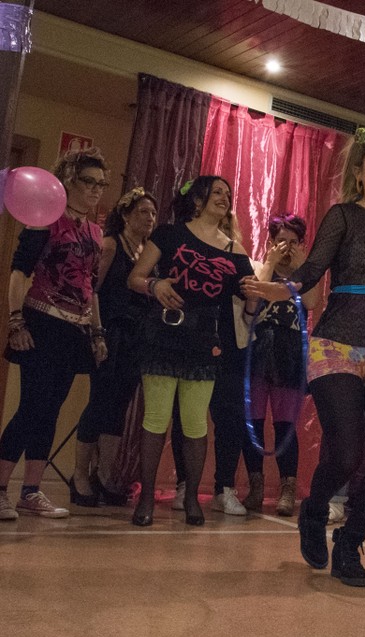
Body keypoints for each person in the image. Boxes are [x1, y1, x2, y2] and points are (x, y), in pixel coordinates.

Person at [243, 128, 365, 588]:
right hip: (337, 346)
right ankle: (314, 510)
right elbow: (312, 271)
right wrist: (282, 289)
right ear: (359, 173)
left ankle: (350, 540)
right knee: (345, 452)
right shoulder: (343, 216)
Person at [127, 176, 256, 527]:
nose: (224, 198)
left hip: (204, 341)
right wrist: (155, 285)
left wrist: (261, 292)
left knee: (196, 422)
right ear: (198, 200)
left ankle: (192, 498)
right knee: (156, 418)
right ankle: (147, 498)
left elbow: (250, 301)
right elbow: (135, 278)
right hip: (163, 334)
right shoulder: (169, 234)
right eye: (217, 192)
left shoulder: (235, 251)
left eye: (228, 194)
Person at [0, 148, 110, 520]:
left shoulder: (95, 231)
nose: (96, 190)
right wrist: (16, 322)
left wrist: (97, 333)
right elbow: (19, 272)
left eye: (101, 184)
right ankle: (0, 488)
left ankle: (30, 491)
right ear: (68, 181)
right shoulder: (45, 220)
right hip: (42, 322)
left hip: (74, 329)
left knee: (50, 411)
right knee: (31, 407)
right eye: (89, 182)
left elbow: (92, 287)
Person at [72, 187, 158, 507]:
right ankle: (80, 476)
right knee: (99, 402)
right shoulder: (110, 245)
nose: (149, 218)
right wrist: (97, 333)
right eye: (143, 212)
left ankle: (104, 475)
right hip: (109, 332)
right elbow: (92, 290)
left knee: (119, 407)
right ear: (125, 215)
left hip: (137, 338)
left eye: (153, 213)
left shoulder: (148, 252)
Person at [241, 213, 320, 516]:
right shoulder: (260, 268)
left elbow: (311, 302)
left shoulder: (305, 272)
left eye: (293, 241)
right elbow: (254, 299)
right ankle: (256, 486)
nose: (286, 247)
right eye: (280, 241)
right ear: (271, 242)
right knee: (253, 422)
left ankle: (288, 489)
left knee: (286, 425)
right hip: (258, 349)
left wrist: (302, 266)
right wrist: (270, 262)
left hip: (290, 353)